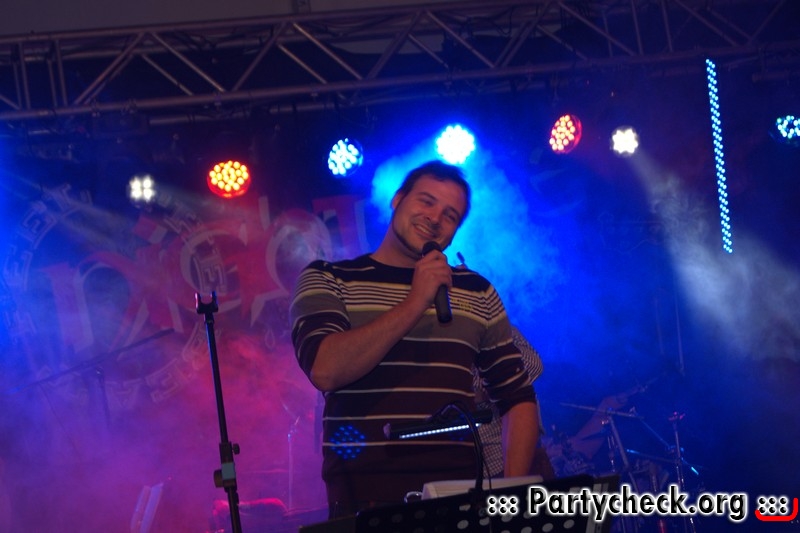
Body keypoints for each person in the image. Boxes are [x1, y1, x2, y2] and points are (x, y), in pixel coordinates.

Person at [290, 160, 538, 518]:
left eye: (450, 215)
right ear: (397, 199)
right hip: (365, 496)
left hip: (460, 494)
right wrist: (415, 301)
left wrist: (510, 496)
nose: (435, 218)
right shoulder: (330, 278)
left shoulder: (475, 290)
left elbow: (517, 397)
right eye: (426, 201)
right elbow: (325, 369)